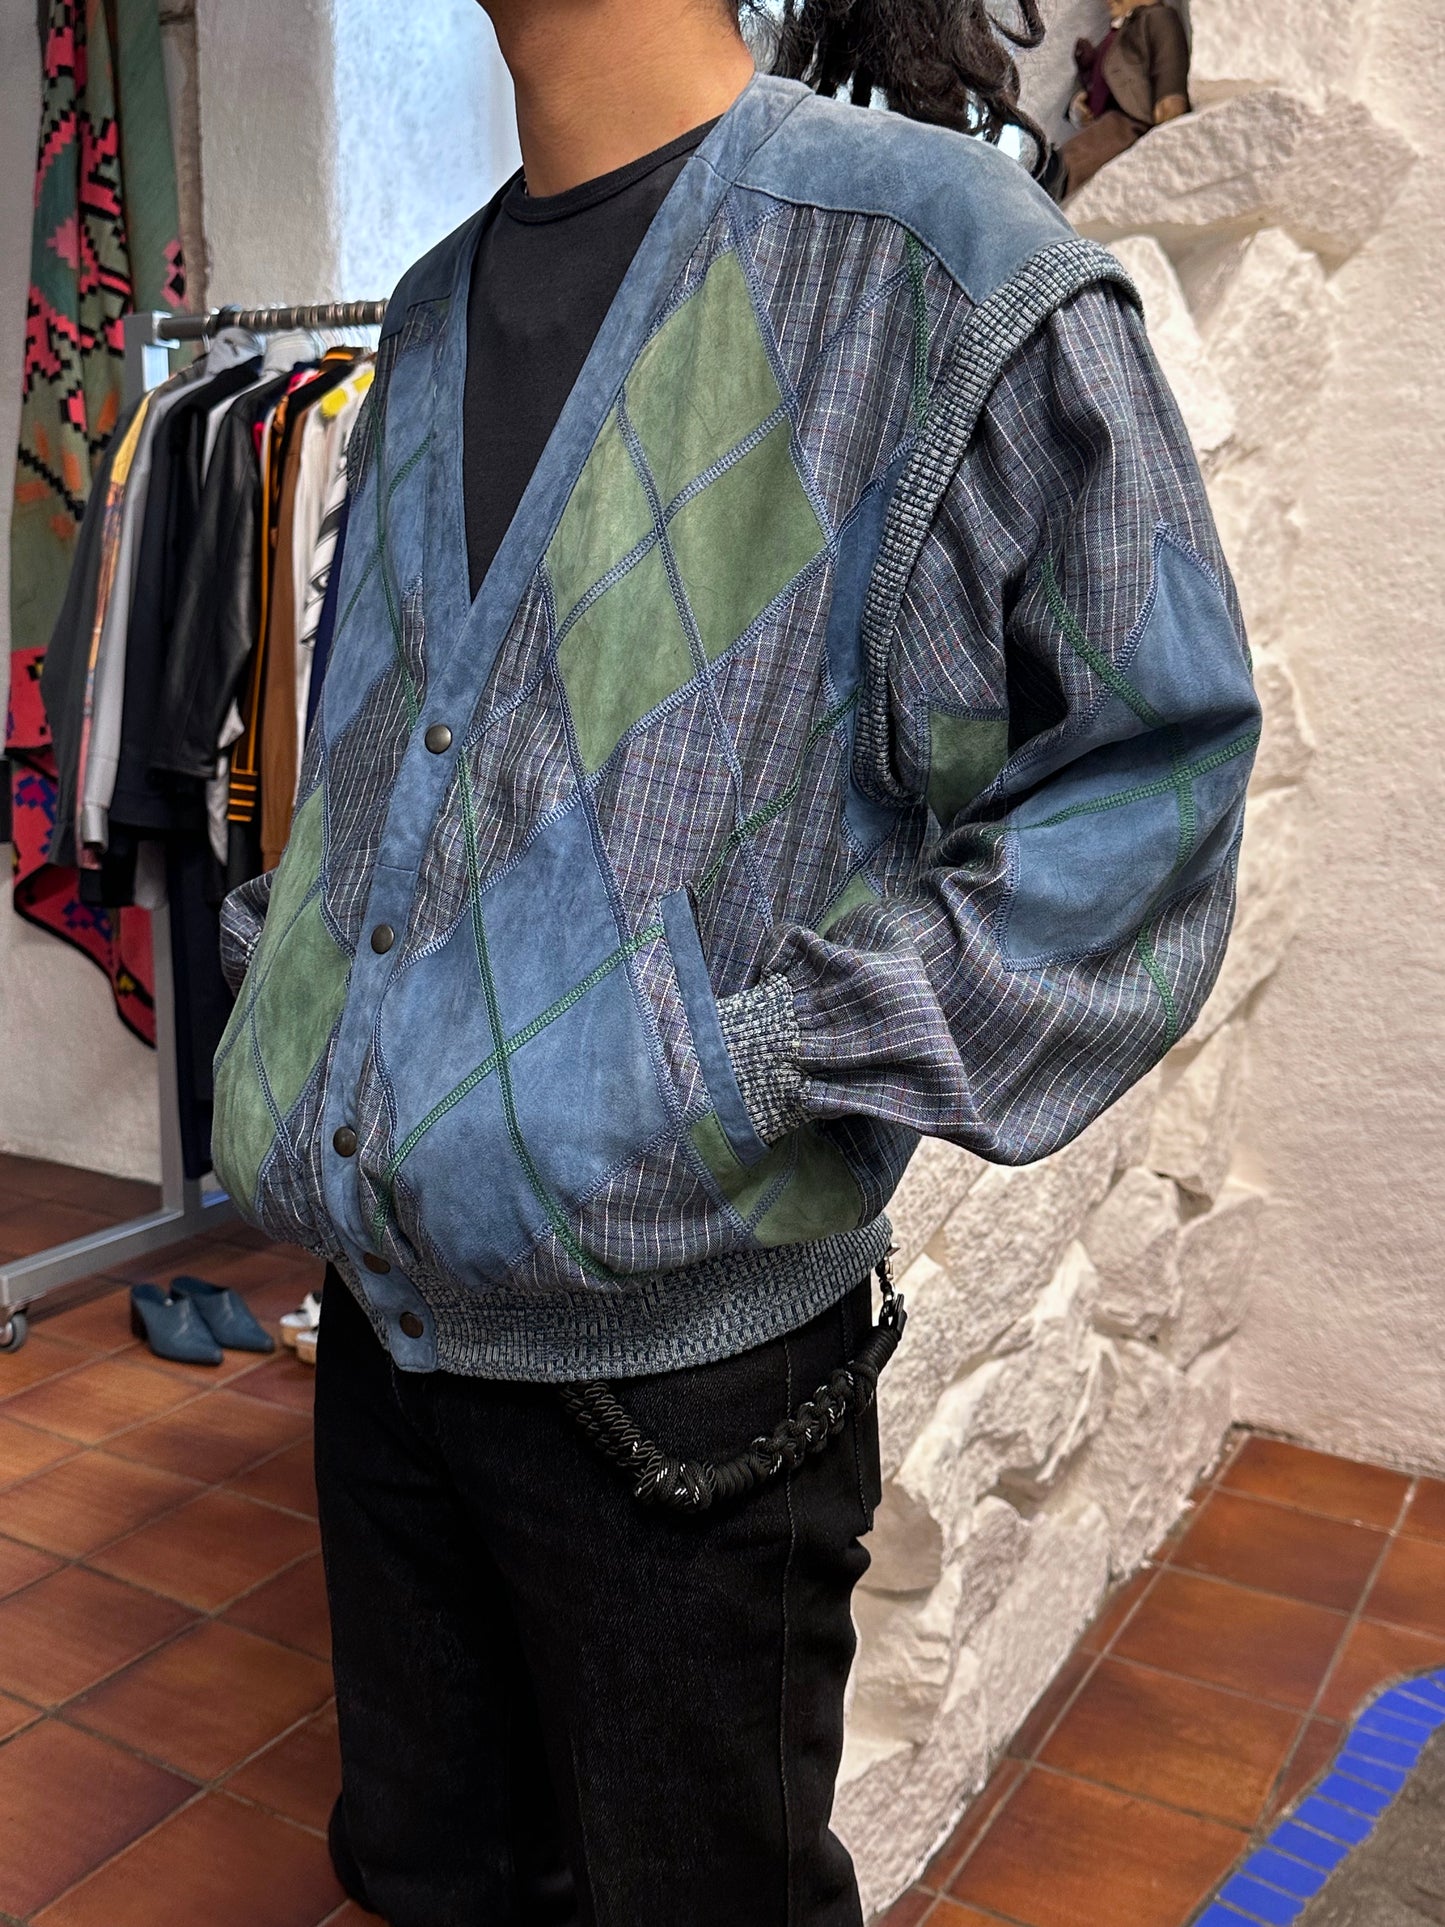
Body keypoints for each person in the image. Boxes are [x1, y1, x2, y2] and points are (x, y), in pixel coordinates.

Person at [212, 0, 1259, 1921]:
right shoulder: (430, 316)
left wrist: (743, 1059)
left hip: (678, 1384)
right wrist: (302, 995)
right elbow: (404, 770)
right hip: (386, 1328)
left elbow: (1150, 799)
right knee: (431, 1877)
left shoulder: (939, 265)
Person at [1060, 0, 1191, 198]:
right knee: (1091, 142)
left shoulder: (1156, 17)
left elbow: (1168, 53)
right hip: (1108, 117)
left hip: (1134, 115)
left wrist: (1169, 94)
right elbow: (1097, 73)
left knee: (1088, 149)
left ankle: (1057, 174)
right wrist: (1077, 101)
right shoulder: (1118, 35)